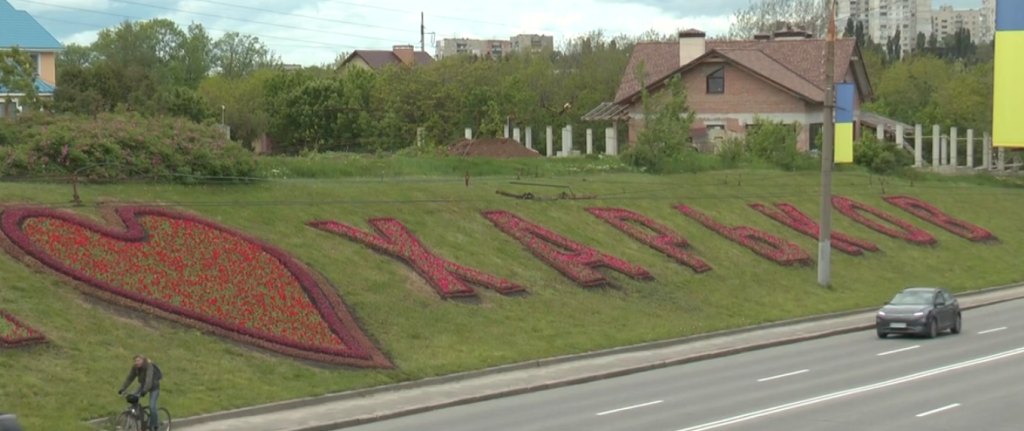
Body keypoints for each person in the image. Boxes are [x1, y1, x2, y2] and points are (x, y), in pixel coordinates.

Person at [118, 355, 163, 431]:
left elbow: (149, 379)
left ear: (142, 360)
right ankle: (140, 418)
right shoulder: (135, 368)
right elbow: (130, 378)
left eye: (138, 361)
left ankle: (155, 426)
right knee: (132, 396)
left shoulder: (149, 366)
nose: (137, 362)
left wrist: (145, 391)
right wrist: (123, 388)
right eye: (135, 361)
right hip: (143, 386)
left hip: (154, 387)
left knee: (152, 406)